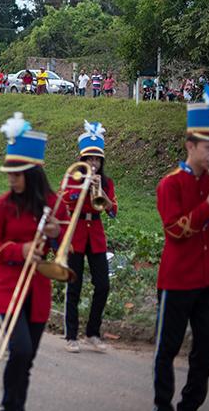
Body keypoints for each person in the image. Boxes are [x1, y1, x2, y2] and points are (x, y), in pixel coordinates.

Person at [0, 113, 59, 411]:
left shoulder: (53, 203)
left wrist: (56, 235)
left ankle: (15, 405)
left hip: (38, 292)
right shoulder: (1, 206)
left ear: (34, 173)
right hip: (6, 291)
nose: (10, 178)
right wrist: (19, 250)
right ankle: (9, 406)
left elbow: (68, 249)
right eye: (9, 173)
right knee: (21, 350)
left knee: (26, 359)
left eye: (17, 173)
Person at [152, 85, 209, 411]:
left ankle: (189, 405)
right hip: (177, 279)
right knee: (167, 347)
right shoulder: (170, 183)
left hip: (207, 279)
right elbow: (175, 230)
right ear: (190, 146)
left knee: (206, 348)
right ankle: (162, 405)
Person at [59, 121, 117, 354]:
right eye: (90, 159)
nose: (94, 163)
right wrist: (82, 186)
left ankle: (93, 332)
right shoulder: (73, 176)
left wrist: (100, 192)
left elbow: (112, 212)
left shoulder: (107, 182)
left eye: (97, 159)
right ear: (82, 160)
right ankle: (71, 335)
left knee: (103, 285)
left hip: (97, 236)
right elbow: (62, 199)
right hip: (76, 233)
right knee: (74, 286)